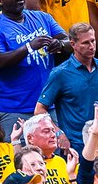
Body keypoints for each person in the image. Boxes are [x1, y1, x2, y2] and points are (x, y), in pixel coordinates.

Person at [0, 0, 70, 133]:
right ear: (0, 2)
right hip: (14, 109)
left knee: (52, 153)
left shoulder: (42, 18)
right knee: (18, 154)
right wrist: (29, 47)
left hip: (47, 104)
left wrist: (60, 45)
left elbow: (69, 40)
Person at [36, 23, 98, 153]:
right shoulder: (60, 73)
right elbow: (39, 109)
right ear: (73, 44)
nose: (91, 46)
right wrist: (58, 133)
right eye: (85, 43)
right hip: (76, 144)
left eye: (93, 41)